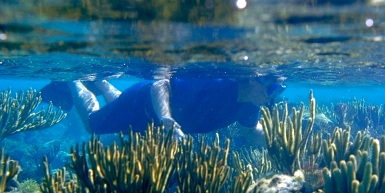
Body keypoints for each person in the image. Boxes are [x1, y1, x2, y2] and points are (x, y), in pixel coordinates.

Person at [40, 75, 286, 146]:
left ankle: (102, 81)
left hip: (155, 122)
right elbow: (161, 83)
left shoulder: (249, 105)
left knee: (119, 110)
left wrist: (281, 146)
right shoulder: (217, 82)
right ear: (253, 80)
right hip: (143, 103)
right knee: (93, 124)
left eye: (280, 90)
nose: (275, 94)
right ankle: (73, 79)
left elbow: (252, 131)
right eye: (272, 87)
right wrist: (166, 118)